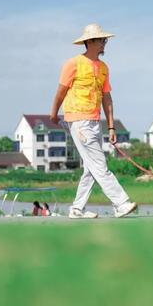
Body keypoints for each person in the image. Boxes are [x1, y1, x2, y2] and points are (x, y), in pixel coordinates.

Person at [50, 22, 137, 219]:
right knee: (100, 165)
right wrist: (54, 114)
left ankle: (76, 209)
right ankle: (121, 203)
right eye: (101, 40)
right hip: (79, 120)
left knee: (91, 168)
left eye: (105, 40)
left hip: (95, 121)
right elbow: (60, 92)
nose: (104, 43)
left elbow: (107, 98)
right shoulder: (73, 64)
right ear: (90, 42)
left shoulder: (104, 68)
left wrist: (112, 127)